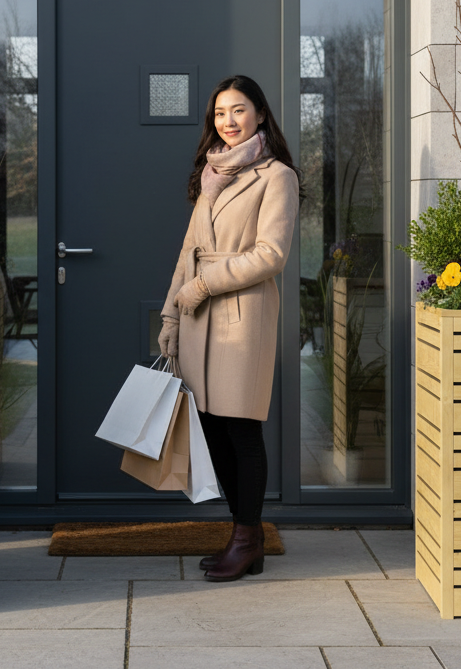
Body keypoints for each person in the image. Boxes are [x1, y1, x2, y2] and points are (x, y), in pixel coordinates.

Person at [158, 74, 301, 582]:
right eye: (220, 113)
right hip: (198, 320)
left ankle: (247, 537)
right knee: (213, 428)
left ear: (260, 114)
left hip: (243, 318)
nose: (228, 121)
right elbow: (188, 251)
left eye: (238, 110)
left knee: (242, 428)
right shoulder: (213, 173)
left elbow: (271, 255)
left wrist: (202, 286)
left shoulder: (277, 176)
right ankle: (243, 536)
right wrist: (171, 314)